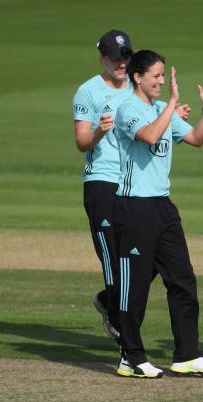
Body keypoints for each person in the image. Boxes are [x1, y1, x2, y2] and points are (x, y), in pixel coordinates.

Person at [112, 49, 203, 378]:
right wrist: (173, 104)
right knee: (135, 288)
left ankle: (187, 355)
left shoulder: (162, 108)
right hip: (134, 206)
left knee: (183, 281)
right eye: (156, 76)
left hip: (162, 206)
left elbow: (195, 139)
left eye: (164, 75)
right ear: (137, 77)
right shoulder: (127, 109)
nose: (162, 81)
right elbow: (148, 136)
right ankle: (131, 357)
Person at [73, 30, 135, 341]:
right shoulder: (88, 91)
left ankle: (109, 301)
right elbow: (82, 142)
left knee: (144, 257)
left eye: (125, 57)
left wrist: (171, 114)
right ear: (103, 58)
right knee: (111, 257)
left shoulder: (138, 87)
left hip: (135, 185)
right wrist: (99, 130)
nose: (121, 63)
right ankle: (120, 323)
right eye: (115, 58)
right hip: (101, 183)